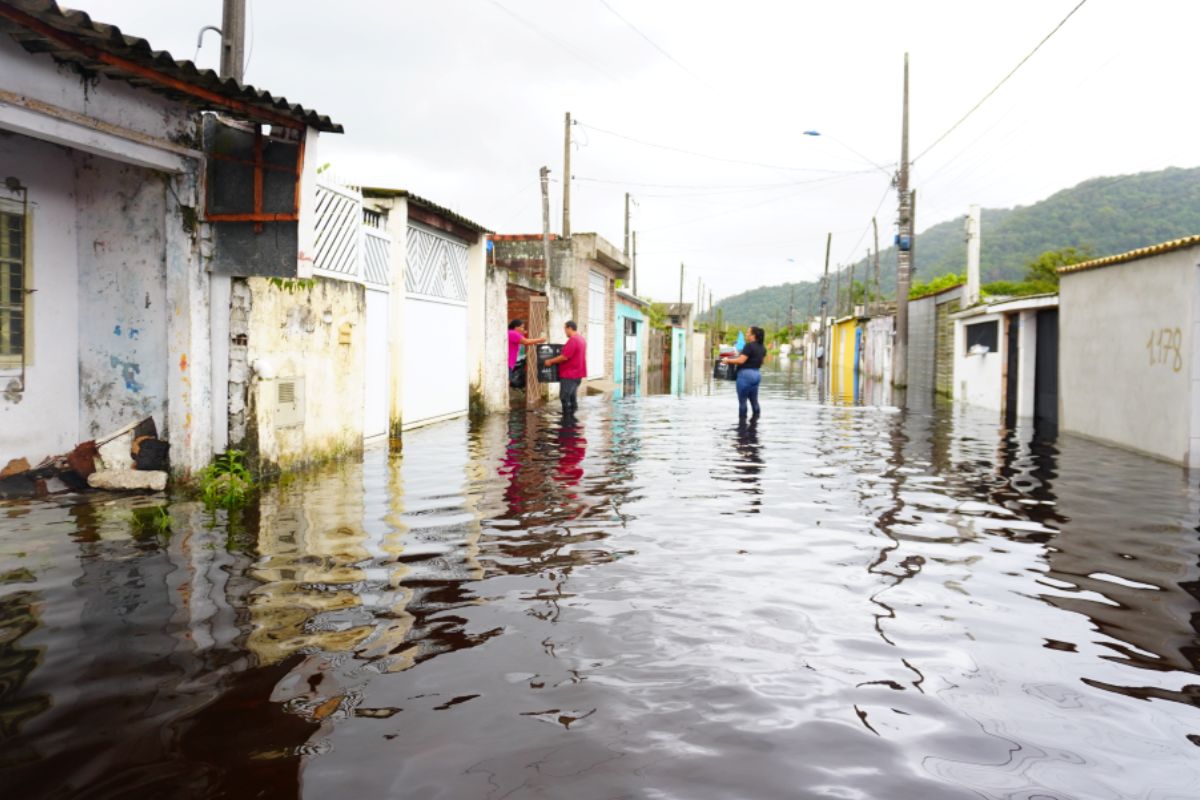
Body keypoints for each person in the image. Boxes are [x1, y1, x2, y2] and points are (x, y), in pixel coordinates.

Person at [721, 326, 766, 418]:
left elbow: (741, 361)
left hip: (745, 375)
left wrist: (727, 360)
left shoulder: (748, 346)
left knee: (742, 402)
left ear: (753, 335)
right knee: (754, 401)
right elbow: (762, 361)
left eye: (748, 332)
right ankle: (755, 423)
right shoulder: (762, 348)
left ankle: (742, 427)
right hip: (756, 374)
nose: (746, 334)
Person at [544, 320, 586, 416]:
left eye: (565, 329)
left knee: (564, 397)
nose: (564, 331)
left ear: (569, 328)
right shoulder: (581, 339)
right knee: (572, 398)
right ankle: (572, 420)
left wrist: (550, 361)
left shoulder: (573, 340)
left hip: (569, 375)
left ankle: (567, 421)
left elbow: (564, 357)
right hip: (577, 374)